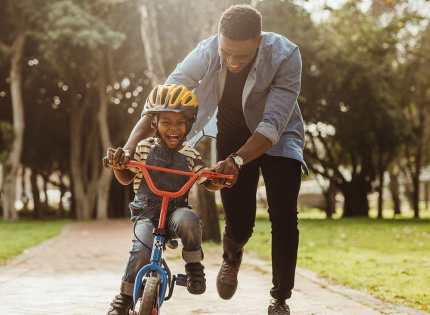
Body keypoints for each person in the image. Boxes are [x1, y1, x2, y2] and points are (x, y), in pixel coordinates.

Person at [116, 5, 307, 315]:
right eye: (226, 53)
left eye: (241, 57)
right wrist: (128, 146)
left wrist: (238, 160)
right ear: (218, 39)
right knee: (240, 223)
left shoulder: (285, 55)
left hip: (279, 138)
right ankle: (232, 256)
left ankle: (280, 299)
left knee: (284, 215)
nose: (232, 62)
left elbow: (272, 124)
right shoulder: (205, 53)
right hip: (232, 135)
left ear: (258, 41)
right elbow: (161, 102)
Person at [103, 84, 224, 315]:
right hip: (146, 214)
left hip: (175, 214)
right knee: (141, 249)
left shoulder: (191, 154)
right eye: (166, 122)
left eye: (180, 122)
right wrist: (118, 166)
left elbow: (205, 180)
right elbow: (126, 177)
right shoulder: (142, 148)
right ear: (154, 123)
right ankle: (125, 297)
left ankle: (194, 267)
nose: (173, 128)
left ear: (189, 124)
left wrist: (216, 180)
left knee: (189, 219)